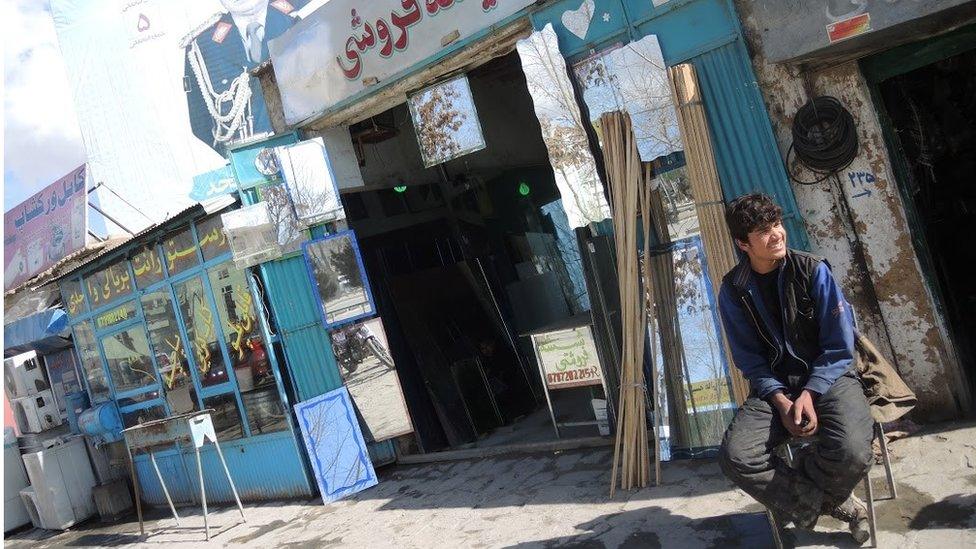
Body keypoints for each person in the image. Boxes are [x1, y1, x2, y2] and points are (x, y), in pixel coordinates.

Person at [716, 193, 874, 543]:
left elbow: (838, 346)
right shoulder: (734, 290)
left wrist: (810, 391)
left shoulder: (812, 270)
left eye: (777, 224)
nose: (776, 235)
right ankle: (834, 504)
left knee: (853, 450)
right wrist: (783, 402)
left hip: (831, 377)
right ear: (744, 243)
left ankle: (807, 485)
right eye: (763, 231)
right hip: (775, 387)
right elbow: (749, 359)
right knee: (736, 455)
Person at [181, 0, 308, 155]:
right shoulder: (202, 47)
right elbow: (201, 124)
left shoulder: (300, 18)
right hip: (250, 163)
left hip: (308, 146)